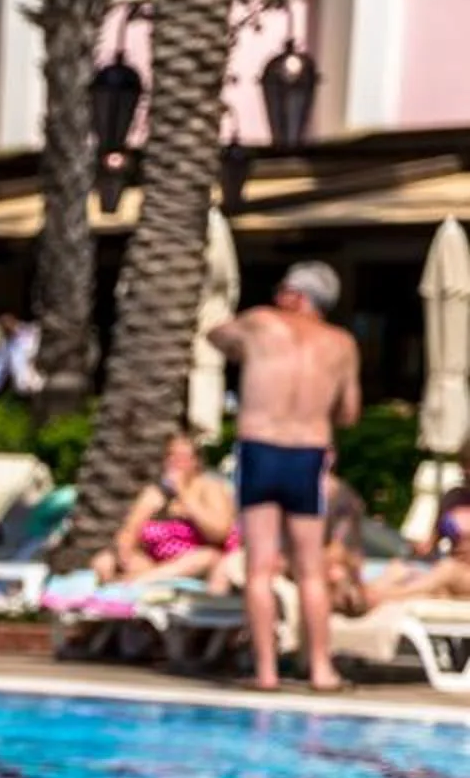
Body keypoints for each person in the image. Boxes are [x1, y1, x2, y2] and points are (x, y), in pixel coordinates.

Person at [208, 262, 361, 692]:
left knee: (260, 568)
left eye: (282, 289)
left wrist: (242, 347)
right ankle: (322, 670)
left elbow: (215, 335)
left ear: (296, 294)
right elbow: (349, 412)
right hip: (308, 454)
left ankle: (267, 673)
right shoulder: (343, 344)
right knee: (311, 570)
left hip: (260, 449)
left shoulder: (261, 322)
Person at [93, 433, 236, 583]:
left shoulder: (210, 487)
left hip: (197, 560)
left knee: (205, 558)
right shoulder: (155, 493)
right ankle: (142, 580)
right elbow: (128, 532)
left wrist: (184, 494)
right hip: (156, 563)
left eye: (182, 458)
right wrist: (125, 554)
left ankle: (136, 582)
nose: (175, 462)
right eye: (170, 456)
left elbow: (220, 532)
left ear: (196, 462)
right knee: (104, 561)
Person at [0, 314, 43, 403]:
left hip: (30, 365)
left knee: (27, 380)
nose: (8, 329)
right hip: (17, 365)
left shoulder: (28, 331)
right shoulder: (6, 344)